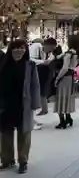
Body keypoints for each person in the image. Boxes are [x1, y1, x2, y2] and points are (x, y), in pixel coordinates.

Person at [0, 40, 41, 174]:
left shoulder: (30, 65)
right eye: (15, 48)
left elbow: (35, 85)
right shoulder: (3, 64)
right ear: (10, 50)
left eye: (21, 48)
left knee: (24, 133)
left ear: (26, 50)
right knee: (5, 133)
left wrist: (36, 104)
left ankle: (23, 161)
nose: (18, 51)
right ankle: (7, 159)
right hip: (5, 104)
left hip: (23, 104)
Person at [53, 35, 79, 129]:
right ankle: (68, 118)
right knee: (67, 98)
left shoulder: (69, 53)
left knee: (61, 99)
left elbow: (64, 68)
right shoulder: (76, 53)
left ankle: (62, 121)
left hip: (64, 78)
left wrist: (57, 78)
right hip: (70, 78)